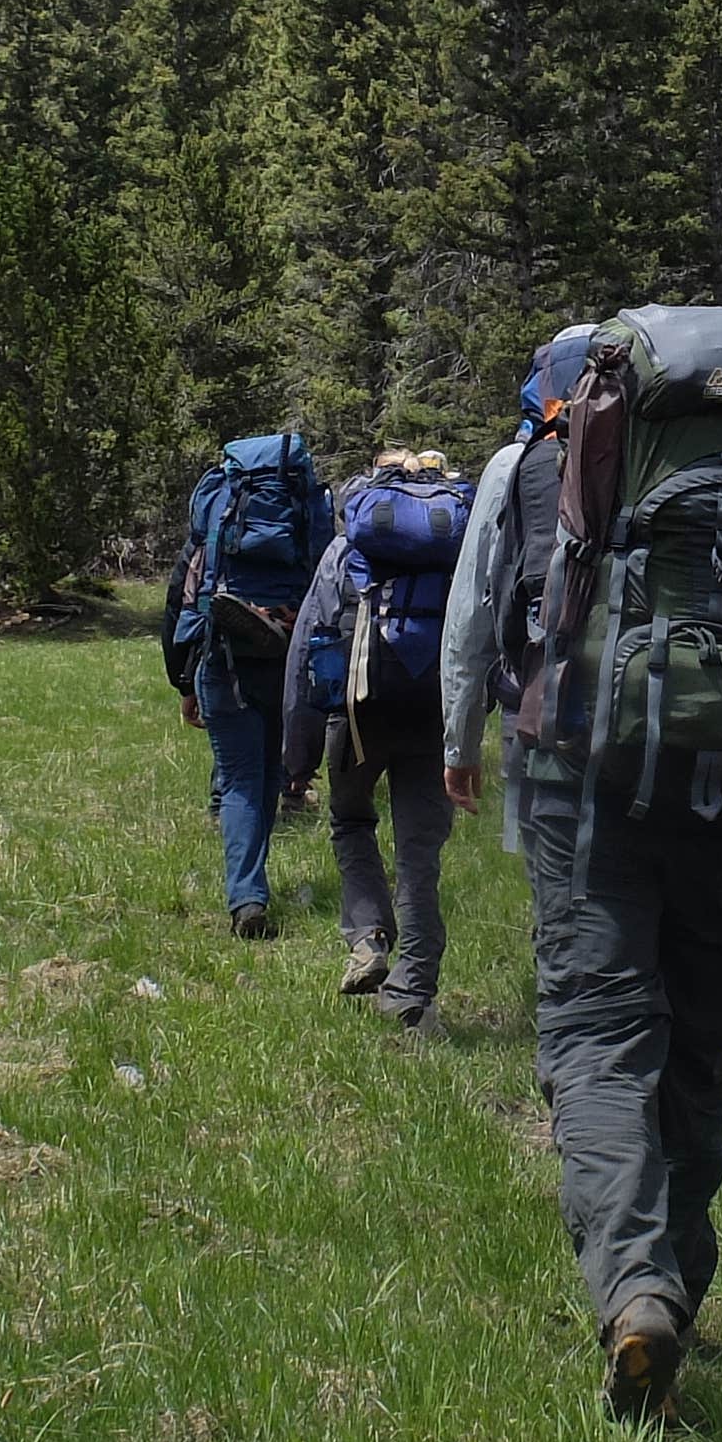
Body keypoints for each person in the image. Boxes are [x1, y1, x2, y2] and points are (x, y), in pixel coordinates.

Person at [443, 319, 722, 1424]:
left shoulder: (532, 460)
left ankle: (636, 1288)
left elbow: (476, 611)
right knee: (698, 1034)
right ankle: (677, 1276)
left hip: (576, 770)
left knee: (596, 1031)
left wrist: (459, 744)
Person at [282, 448, 472, 1024]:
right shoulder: (458, 553)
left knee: (351, 820)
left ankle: (367, 939)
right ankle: (414, 988)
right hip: (434, 710)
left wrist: (298, 751)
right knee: (420, 853)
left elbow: (309, 643)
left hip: (358, 712)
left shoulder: (348, 547)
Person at [165, 429, 328, 937]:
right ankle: (250, 892)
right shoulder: (311, 503)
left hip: (222, 655)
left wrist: (183, 681)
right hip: (287, 653)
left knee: (238, 781)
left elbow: (182, 592)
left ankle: (247, 897)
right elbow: (329, 578)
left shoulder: (218, 499)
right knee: (266, 776)